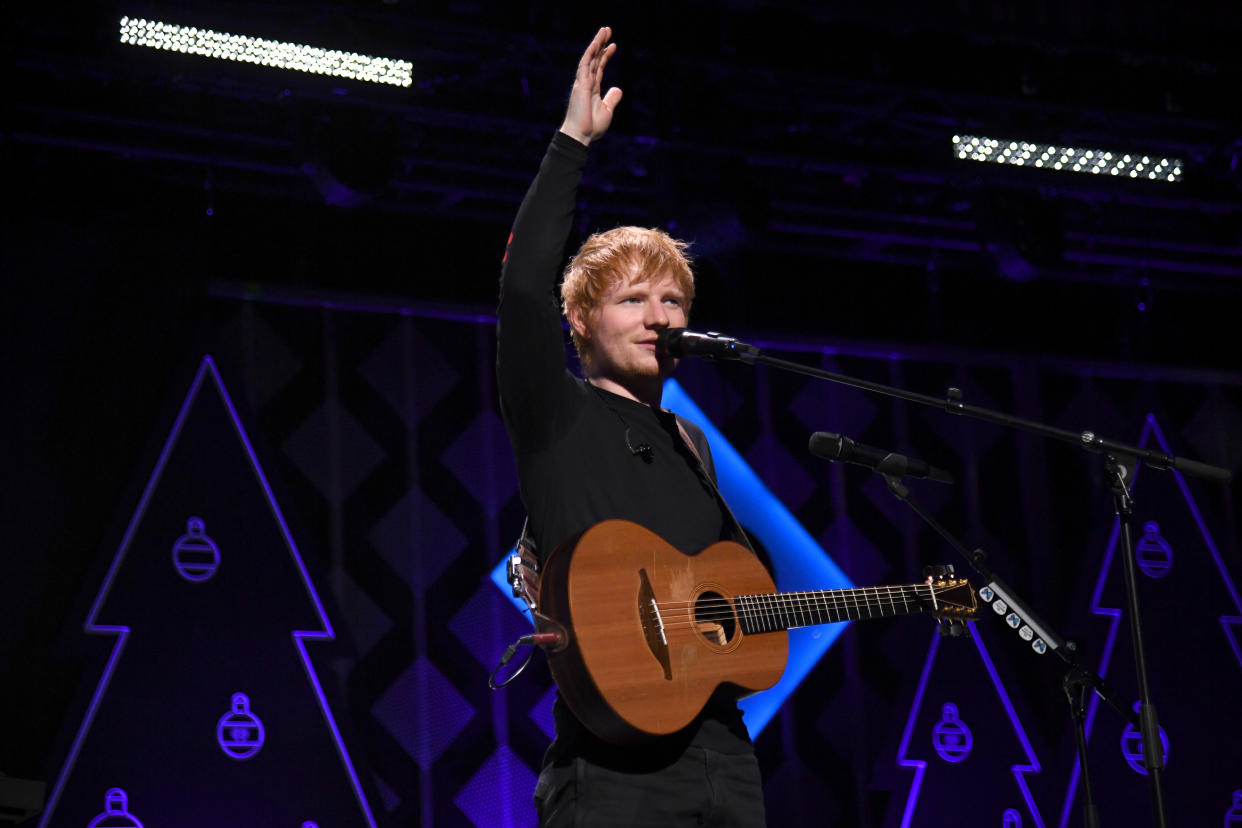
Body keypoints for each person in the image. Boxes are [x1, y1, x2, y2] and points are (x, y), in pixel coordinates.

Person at [497, 27, 768, 828]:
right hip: (613, 770)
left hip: (726, 759)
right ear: (578, 320)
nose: (660, 318)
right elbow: (519, 289)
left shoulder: (693, 447)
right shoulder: (557, 412)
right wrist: (573, 143)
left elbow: (733, 602)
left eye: (673, 302)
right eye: (633, 300)